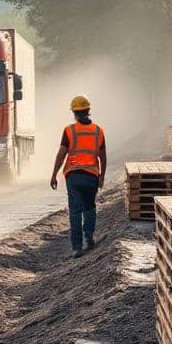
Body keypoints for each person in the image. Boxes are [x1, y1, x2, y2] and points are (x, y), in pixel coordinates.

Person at [50, 95, 106, 258]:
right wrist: (102, 176)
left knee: (75, 211)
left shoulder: (69, 130)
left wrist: (54, 174)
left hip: (73, 176)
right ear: (88, 111)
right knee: (90, 206)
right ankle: (89, 235)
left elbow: (61, 154)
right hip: (91, 175)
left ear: (74, 113)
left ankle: (77, 247)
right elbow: (103, 156)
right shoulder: (98, 131)